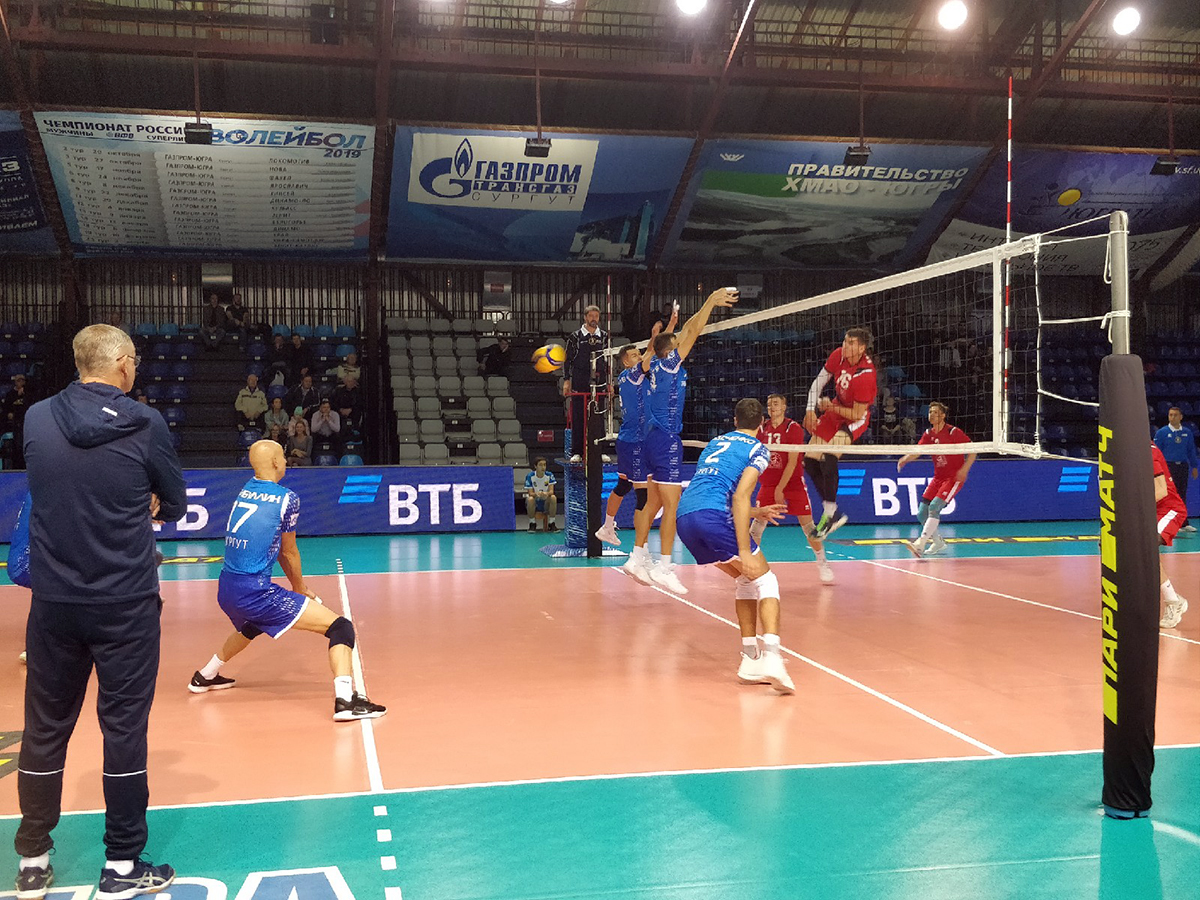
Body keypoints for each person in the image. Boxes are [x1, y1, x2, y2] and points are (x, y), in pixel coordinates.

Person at [15, 323, 186, 900]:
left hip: (54, 603)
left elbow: (52, 484)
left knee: (44, 728)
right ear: (122, 364)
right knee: (124, 728)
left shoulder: (37, 417)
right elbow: (175, 502)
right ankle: (121, 864)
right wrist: (147, 499)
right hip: (125, 603)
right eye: (134, 360)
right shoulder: (147, 423)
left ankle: (33, 860)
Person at [187, 440, 386, 720]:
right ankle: (345, 701)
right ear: (275, 462)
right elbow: (288, 551)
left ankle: (205, 675)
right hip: (255, 593)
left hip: (227, 588)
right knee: (341, 628)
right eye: (282, 456)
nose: (285, 461)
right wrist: (299, 588)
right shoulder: (286, 498)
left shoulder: (245, 490)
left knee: (252, 626)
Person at [624, 288, 738, 594]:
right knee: (672, 505)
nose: (682, 343)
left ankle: (636, 557)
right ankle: (664, 567)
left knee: (654, 502)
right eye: (676, 344)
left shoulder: (655, 364)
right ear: (670, 350)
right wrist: (711, 300)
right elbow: (695, 331)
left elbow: (687, 329)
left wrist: (677, 322)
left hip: (650, 439)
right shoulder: (670, 363)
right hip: (666, 441)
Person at [676, 398, 793, 693]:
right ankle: (773, 659)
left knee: (744, 579)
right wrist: (743, 549)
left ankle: (750, 660)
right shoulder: (758, 449)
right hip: (713, 517)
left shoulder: (715, 443)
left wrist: (755, 513)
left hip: (685, 518)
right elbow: (740, 496)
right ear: (762, 423)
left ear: (734, 420)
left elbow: (714, 491)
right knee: (766, 581)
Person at [596, 312, 676, 549]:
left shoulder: (636, 376)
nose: (639, 356)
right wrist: (656, 335)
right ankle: (640, 550)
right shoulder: (631, 375)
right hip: (636, 442)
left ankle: (607, 527)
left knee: (624, 485)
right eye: (634, 355)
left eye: (638, 353)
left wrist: (668, 328)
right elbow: (652, 353)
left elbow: (654, 351)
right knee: (643, 495)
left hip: (631, 439)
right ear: (626, 362)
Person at [803, 326, 878, 538]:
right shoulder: (839, 355)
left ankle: (829, 515)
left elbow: (856, 414)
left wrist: (830, 407)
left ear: (862, 348)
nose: (845, 345)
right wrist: (810, 410)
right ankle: (833, 512)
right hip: (837, 407)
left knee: (829, 456)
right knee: (809, 459)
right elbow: (819, 382)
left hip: (855, 417)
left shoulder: (866, 375)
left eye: (851, 343)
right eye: (845, 341)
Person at [752, 393, 833, 584]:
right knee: (756, 527)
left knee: (808, 527)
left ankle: (822, 562)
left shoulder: (793, 428)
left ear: (784, 407)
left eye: (776, 404)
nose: (771, 407)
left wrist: (780, 488)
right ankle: (749, 566)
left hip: (792, 483)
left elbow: (793, 461)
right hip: (769, 483)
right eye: (769, 404)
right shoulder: (761, 428)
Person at [896, 401, 975, 558]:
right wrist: (905, 458)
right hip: (938, 478)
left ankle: (921, 542)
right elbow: (918, 451)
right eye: (930, 412)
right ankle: (938, 542)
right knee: (921, 513)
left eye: (935, 412)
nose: (931, 415)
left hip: (953, 478)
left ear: (943, 416)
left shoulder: (953, 432)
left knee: (934, 507)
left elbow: (973, 449)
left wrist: (965, 469)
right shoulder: (928, 434)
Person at [563, 306, 607, 462]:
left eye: (596, 316)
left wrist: (609, 382)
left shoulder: (605, 336)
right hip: (580, 379)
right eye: (591, 315)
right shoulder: (575, 336)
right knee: (578, 415)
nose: (594, 318)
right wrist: (566, 380)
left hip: (600, 380)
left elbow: (608, 361)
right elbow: (567, 360)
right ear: (585, 317)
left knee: (599, 416)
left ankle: (600, 451)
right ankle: (577, 452)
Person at [1153, 441, 1189, 629]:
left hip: (1170, 509)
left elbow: (1161, 490)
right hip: (1151, 511)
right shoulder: (1127, 454)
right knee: (1138, 553)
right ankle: (1174, 599)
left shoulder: (1148, 452)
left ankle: (1173, 603)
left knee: (1147, 548)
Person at [1153, 406, 1198, 534]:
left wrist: (1194, 466)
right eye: (1170, 415)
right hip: (1167, 467)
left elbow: (1191, 450)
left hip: (1182, 466)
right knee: (1167, 495)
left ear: (1181, 417)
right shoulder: (1162, 432)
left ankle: (1183, 523)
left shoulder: (1187, 432)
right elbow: (1156, 452)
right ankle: (1166, 523)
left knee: (1182, 494)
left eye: (1175, 415)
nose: (1172, 417)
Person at [3, 373, 30, 469]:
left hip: (25, 421)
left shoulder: (28, 394)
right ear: (15, 382)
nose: (21, 382)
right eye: (19, 380)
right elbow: (6, 409)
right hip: (15, 422)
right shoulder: (10, 394)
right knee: (17, 443)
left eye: (23, 380)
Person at [525, 457, 558, 532]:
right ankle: (532, 524)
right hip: (535, 501)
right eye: (540, 465)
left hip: (546, 502)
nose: (543, 467)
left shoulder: (549, 475)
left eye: (544, 465)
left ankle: (552, 523)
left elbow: (551, 491)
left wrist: (545, 494)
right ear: (535, 466)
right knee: (530, 499)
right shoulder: (530, 476)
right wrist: (537, 494)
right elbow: (530, 493)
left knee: (553, 497)